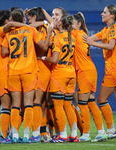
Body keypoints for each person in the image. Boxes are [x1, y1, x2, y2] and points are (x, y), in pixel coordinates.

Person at [83, 4, 116, 141]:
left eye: (104, 12)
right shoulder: (106, 30)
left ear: (111, 16)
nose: (102, 14)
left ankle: (112, 131)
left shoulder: (114, 29)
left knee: (101, 99)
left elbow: (111, 46)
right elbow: (88, 38)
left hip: (114, 70)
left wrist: (92, 43)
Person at [1, 8, 53, 143]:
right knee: (29, 103)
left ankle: (14, 135)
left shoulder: (9, 34)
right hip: (28, 71)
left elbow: (4, 52)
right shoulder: (31, 30)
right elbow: (44, 47)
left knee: (15, 105)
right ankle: (26, 134)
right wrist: (49, 34)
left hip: (13, 71)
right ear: (24, 19)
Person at [0, 9, 30, 144]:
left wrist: (22, 14)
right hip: (1, 71)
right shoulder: (0, 30)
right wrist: (27, 26)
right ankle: (4, 136)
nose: (12, 21)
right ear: (6, 21)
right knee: (7, 105)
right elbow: (11, 26)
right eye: (10, 18)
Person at [39, 14, 78, 143]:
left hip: (59, 74)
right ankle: (73, 135)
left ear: (60, 24)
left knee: (59, 107)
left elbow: (54, 59)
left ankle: (62, 135)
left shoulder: (58, 39)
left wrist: (42, 58)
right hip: (71, 73)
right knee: (68, 106)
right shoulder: (72, 37)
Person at [72, 12, 108, 142]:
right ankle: (101, 132)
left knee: (82, 104)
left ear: (79, 24)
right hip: (91, 70)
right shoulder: (82, 34)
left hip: (84, 72)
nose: (69, 25)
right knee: (91, 102)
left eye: (72, 23)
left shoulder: (75, 34)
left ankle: (86, 134)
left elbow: (60, 29)